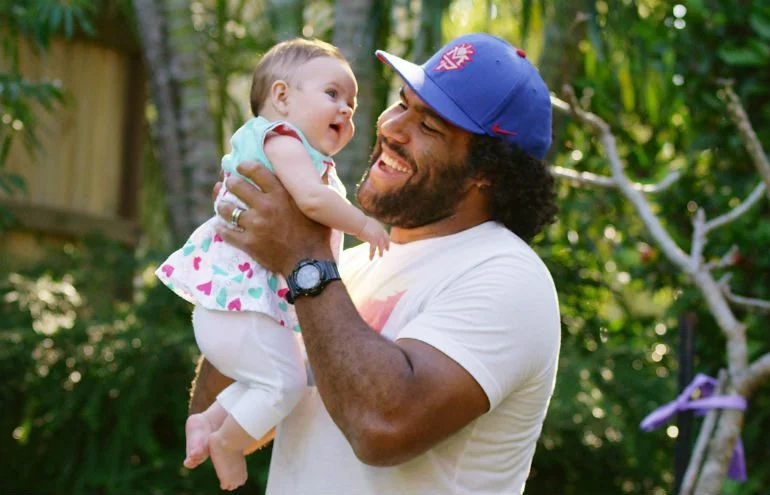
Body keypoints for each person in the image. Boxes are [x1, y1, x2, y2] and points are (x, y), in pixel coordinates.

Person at [197, 32, 560, 494]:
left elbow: (382, 428)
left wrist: (300, 255)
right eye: (402, 103)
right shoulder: (343, 270)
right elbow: (215, 419)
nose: (390, 127)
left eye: (429, 126)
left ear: (488, 171)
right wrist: (248, 262)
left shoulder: (509, 278)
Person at [155, 38, 390, 490]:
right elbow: (310, 199)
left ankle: (208, 423)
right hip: (240, 309)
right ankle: (227, 443)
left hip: (240, 310)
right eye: (332, 95)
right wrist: (364, 224)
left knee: (274, 379)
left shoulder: (286, 148)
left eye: (352, 104)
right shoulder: (280, 140)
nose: (346, 111)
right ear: (281, 96)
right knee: (282, 384)